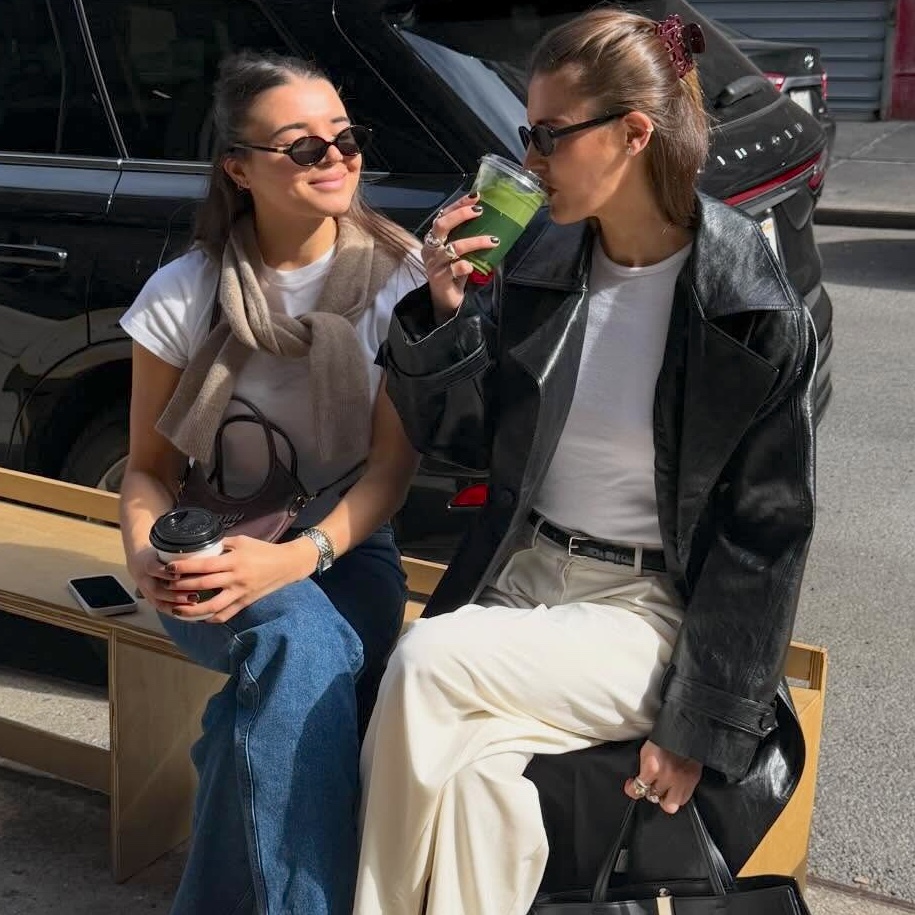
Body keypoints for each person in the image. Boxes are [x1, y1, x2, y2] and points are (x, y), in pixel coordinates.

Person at [354, 9, 816, 915]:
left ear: (633, 133)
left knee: (425, 664)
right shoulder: (540, 262)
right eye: (527, 133)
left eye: (548, 136)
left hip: (645, 616)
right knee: (481, 791)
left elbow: (764, 536)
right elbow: (459, 443)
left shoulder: (746, 310)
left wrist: (697, 723)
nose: (528, 157)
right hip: (523, 581)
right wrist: (442, 317)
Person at [118, 50, 423, 915]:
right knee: (299, 652)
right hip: (209, 549)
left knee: (270, 693)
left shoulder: (399, 279)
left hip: (348, 548)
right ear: (238, 168)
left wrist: (298, 558)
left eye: (344, 138)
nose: (334, 158)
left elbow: (392, 470)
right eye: (302, 146)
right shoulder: (185, 293)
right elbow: (148, 468)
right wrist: (145, 550)